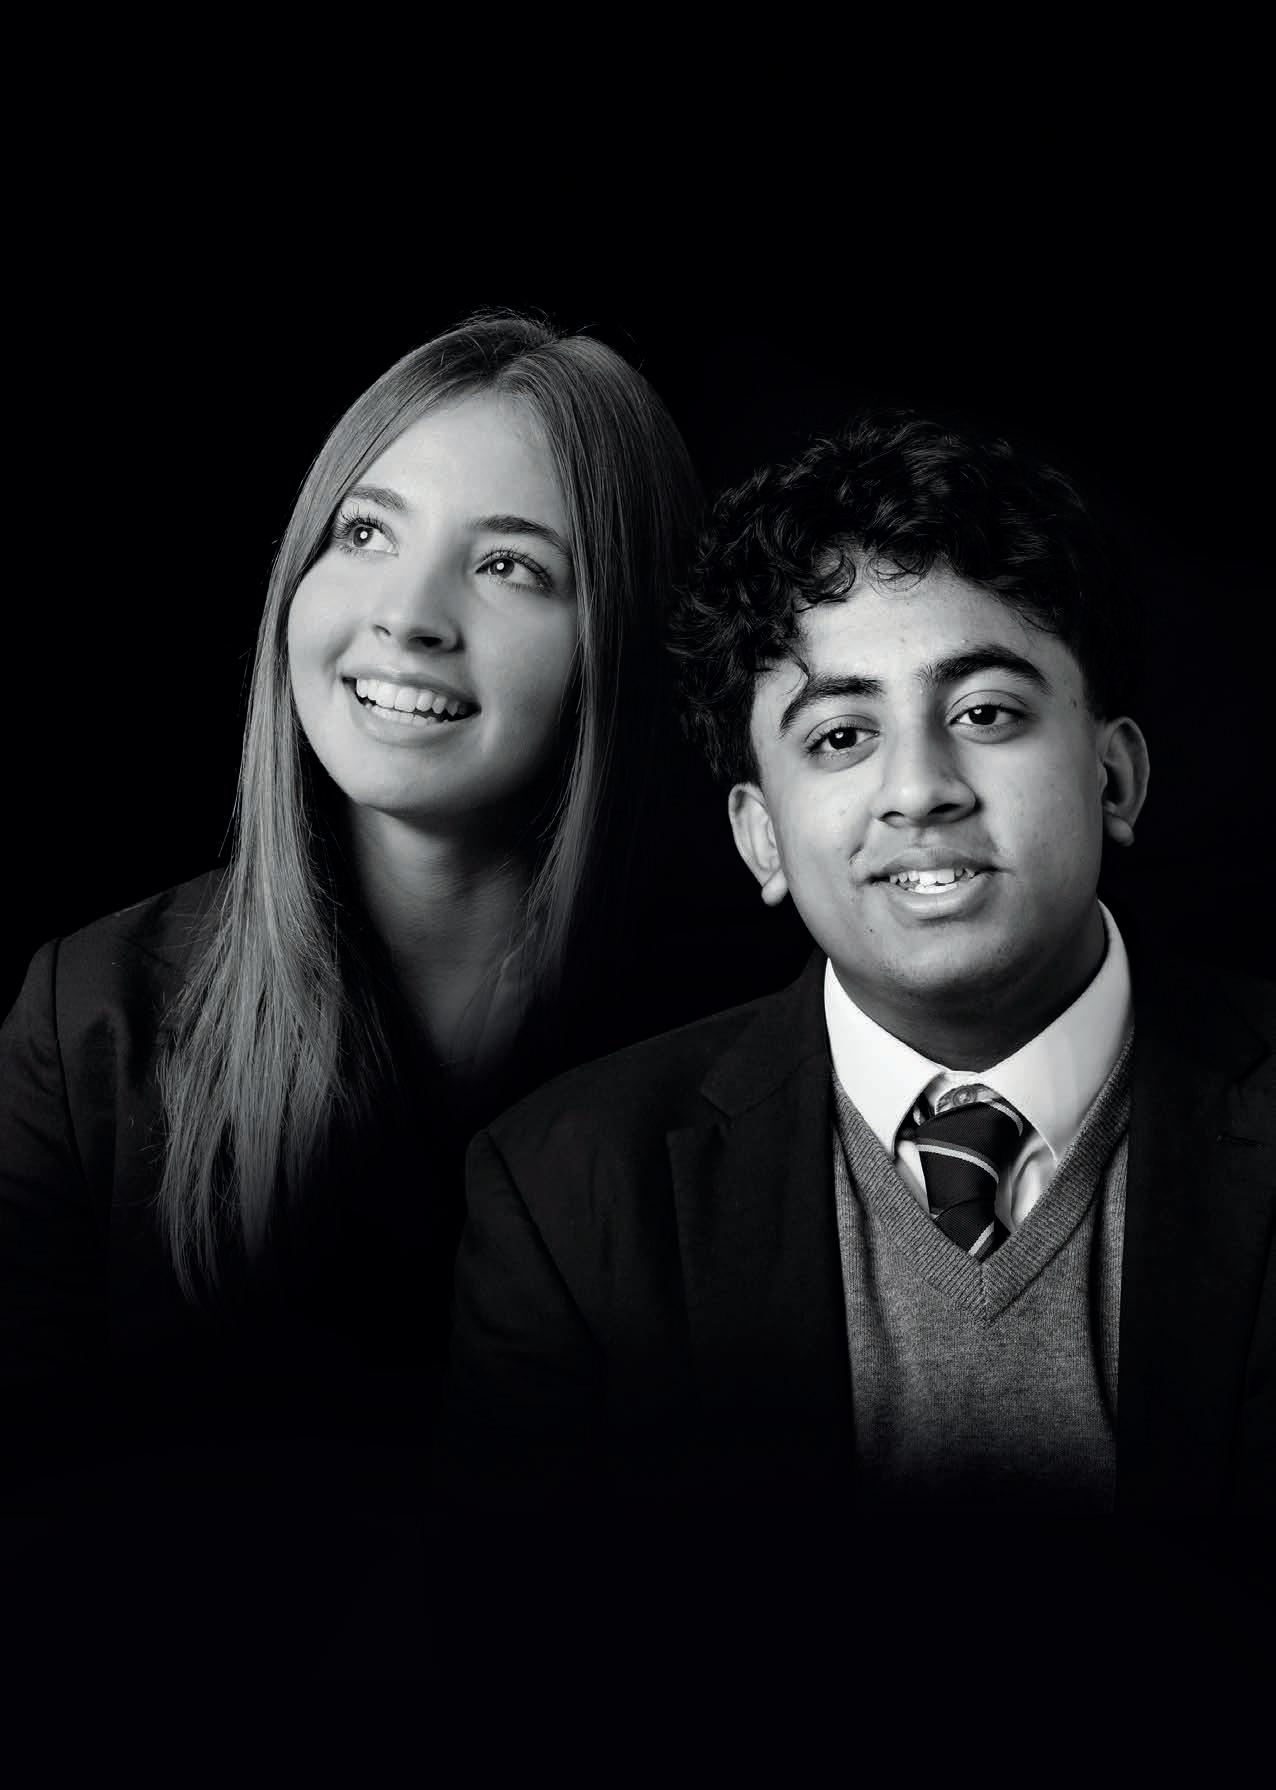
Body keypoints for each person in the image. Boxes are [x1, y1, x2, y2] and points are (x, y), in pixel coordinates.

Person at [443, 408, 1274, 1670]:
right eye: (840, 736)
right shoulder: (568, 1194)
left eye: (986, 711)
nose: (919, 787)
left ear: (1113, 777)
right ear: (760, 837)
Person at [0, 310, 700, 1670]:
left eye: (511, 564)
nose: (408, 614)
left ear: (629, 634)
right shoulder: (91, 1014)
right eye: (367, 531)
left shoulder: (755, 1036)